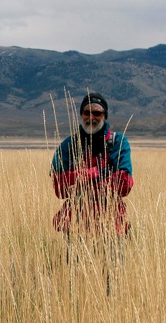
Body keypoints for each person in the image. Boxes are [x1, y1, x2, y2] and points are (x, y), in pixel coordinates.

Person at [50, 92, 134, 236]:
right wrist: (96, 173)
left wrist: (78, 183)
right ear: (81, 115)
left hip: (111, 225)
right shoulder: (68, 145)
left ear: (104, 116)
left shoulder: (118, 142)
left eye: (97, 113)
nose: (91, 117)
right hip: (75, 225)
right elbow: (59, 187)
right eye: (86, 113)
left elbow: (124, 184)